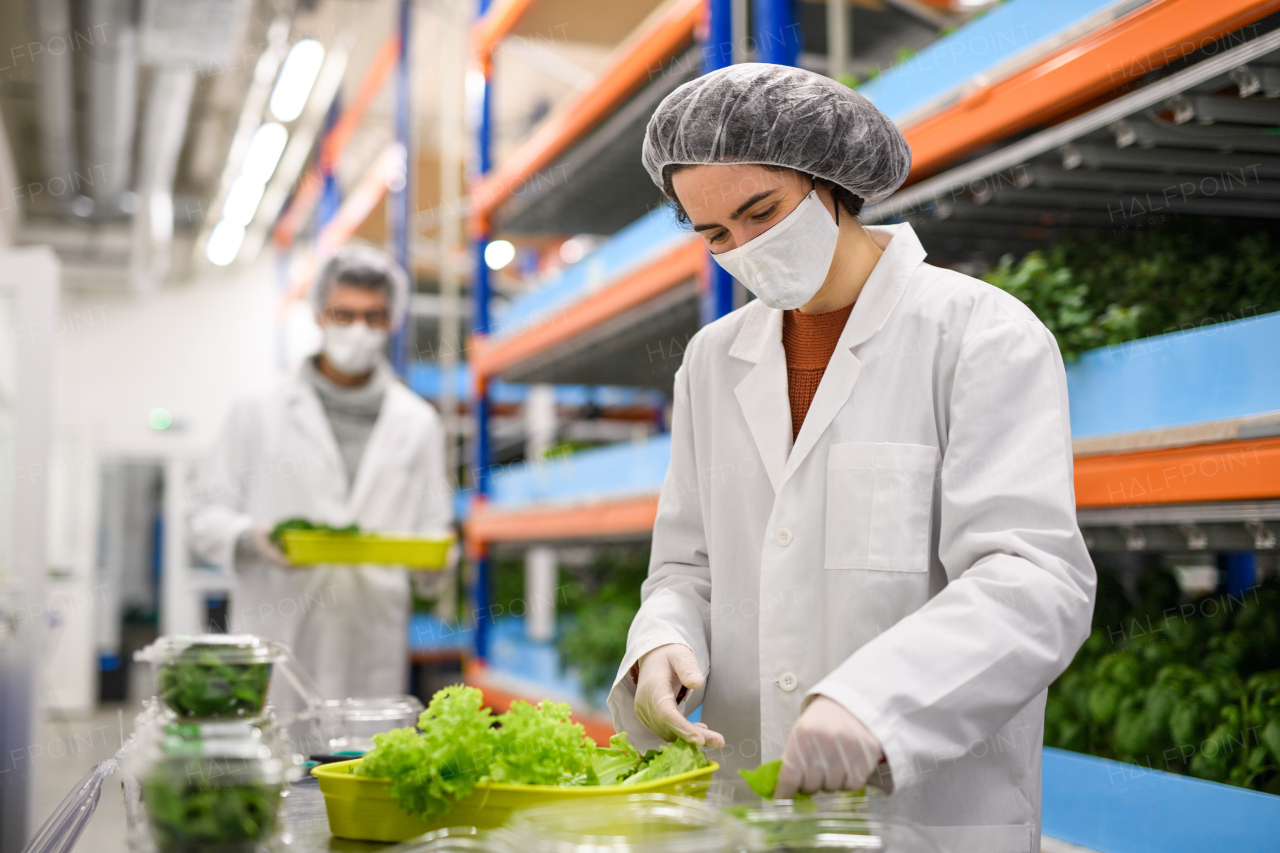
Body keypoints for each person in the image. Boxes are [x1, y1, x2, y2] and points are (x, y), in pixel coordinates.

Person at [607, 64, 1095, 853]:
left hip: (926, 816)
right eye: (715, 235)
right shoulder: (710, 359)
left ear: (830, 178)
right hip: (747, 813)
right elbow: (686, 566)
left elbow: (1034, 580)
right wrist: (661, 640)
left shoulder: (980, 333)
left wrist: (878, 702)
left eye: (761, 210)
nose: (745, 247)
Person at [188, 245, 453, 707]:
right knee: (273, 766)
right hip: (281, 633)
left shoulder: (418, 422)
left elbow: (435, 528)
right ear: (318, 315)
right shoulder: (259, 409)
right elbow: (202, 515)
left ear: (392, 322)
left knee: (363, 767)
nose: (358, 330)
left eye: (373, 317)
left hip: (370, 645)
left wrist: (439, 559)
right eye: (344, 314)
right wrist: (252, 538)